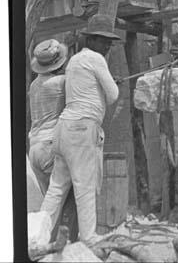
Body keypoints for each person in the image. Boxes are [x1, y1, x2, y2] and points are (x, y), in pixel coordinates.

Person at [40, 14, 120, 246]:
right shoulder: (96, 59)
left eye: (109, 42)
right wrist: (110, 84)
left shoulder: (74, 60)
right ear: (91, 41)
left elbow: (87, 88)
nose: (106, 46)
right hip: (82, 128)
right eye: (102, 40)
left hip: (64, 129)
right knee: (85, 185)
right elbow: (113, 95)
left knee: (56, 188)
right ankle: (88, 238)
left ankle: (38, 234)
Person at [28, 39, 68, 195]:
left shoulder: (34, 85)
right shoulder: (60, 82)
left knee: (48, 200)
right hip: (50, 145)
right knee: (61, 198)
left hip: (34, 147)